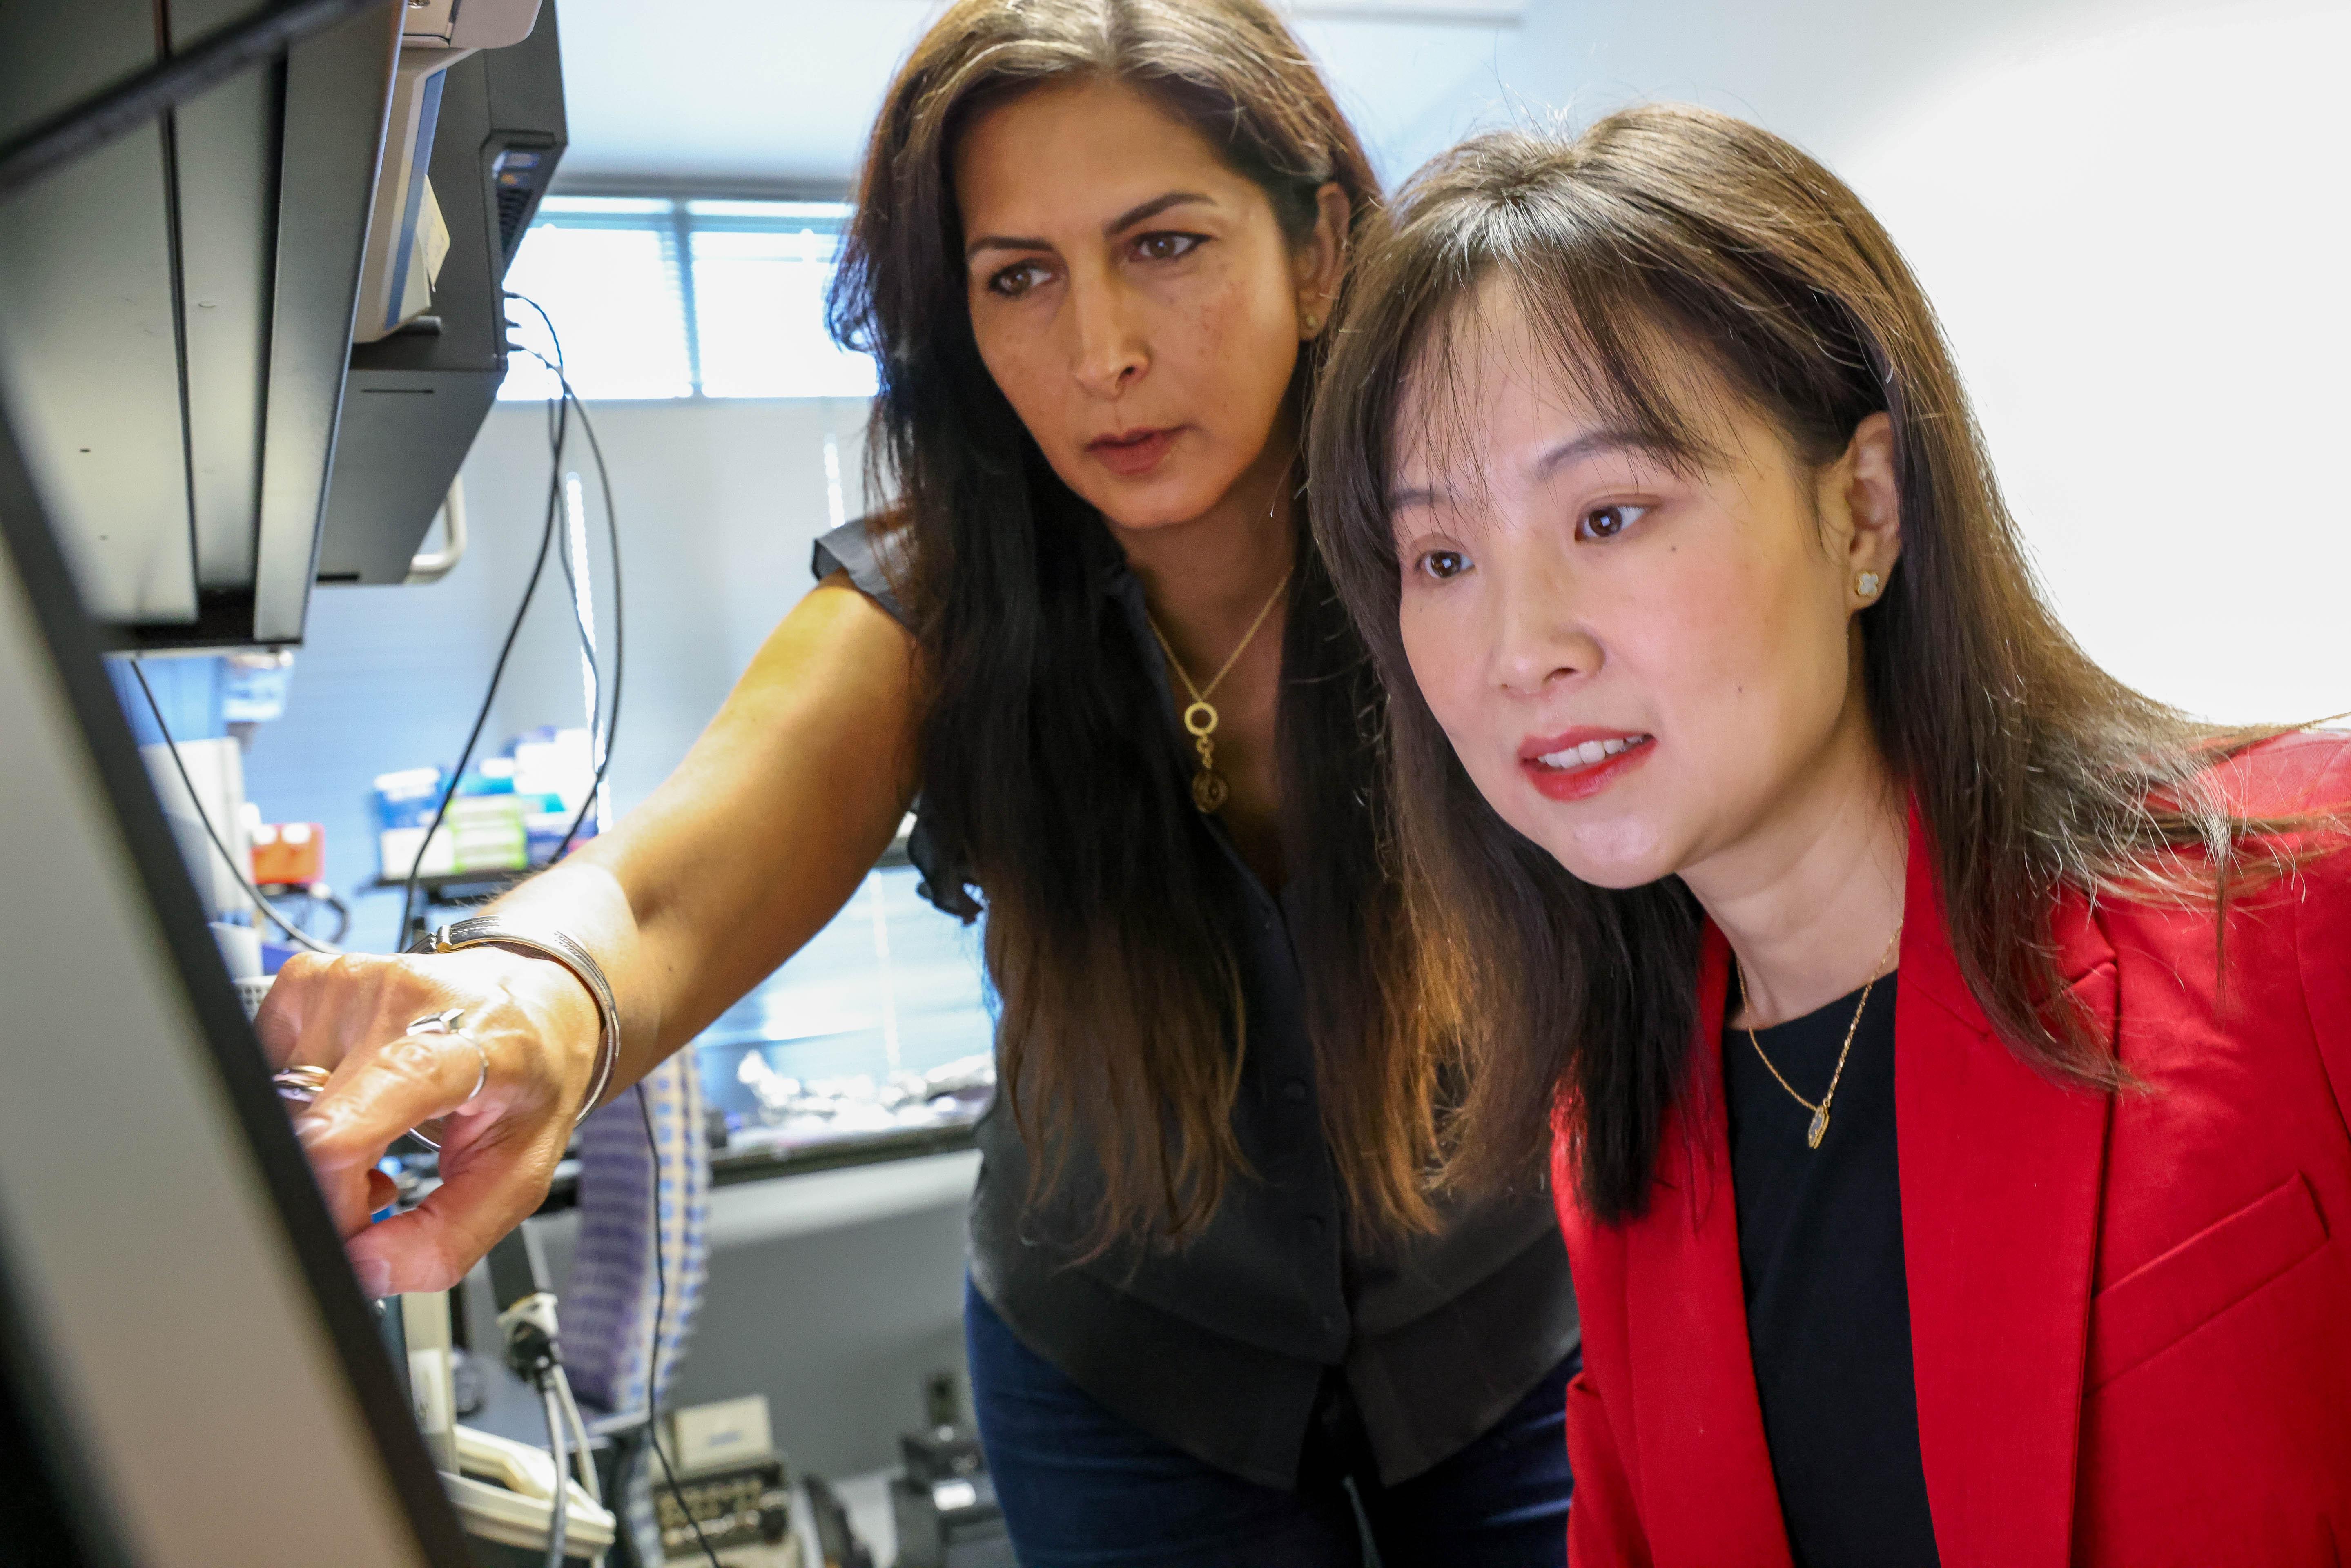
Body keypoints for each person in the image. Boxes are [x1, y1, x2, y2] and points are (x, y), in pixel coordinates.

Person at [258, 3, 1580, 1563]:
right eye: (1019, 277)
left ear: (1321, 250)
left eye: (1165, 245)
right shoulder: (937, 606)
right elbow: (670, 882)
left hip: (1513, 1342)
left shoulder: (1481, 548)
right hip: (1128, 1377)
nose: (1102, 352)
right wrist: (522, 1002)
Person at [1308, 104, 2351, 1567]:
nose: (1520, 648)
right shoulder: (1618, 1136)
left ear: (1863, 509)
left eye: (1609, 517)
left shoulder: (2300, 896)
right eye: (1442, 557)